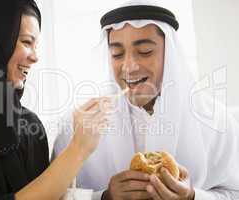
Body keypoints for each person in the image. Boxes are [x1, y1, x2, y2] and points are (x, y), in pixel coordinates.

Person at [52, 0, 239, 199]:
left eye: (145, 52)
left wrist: (193, 197)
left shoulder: (217, 120)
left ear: (170, 54)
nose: (129, 67)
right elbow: (53, 195)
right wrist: (104, 197)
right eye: (117, 54)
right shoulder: (77, 125)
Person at [0, 0, 109, 199]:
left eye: (36, 45)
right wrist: (79, 148)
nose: (35, 57)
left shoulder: (29, 125)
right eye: (27, 42)